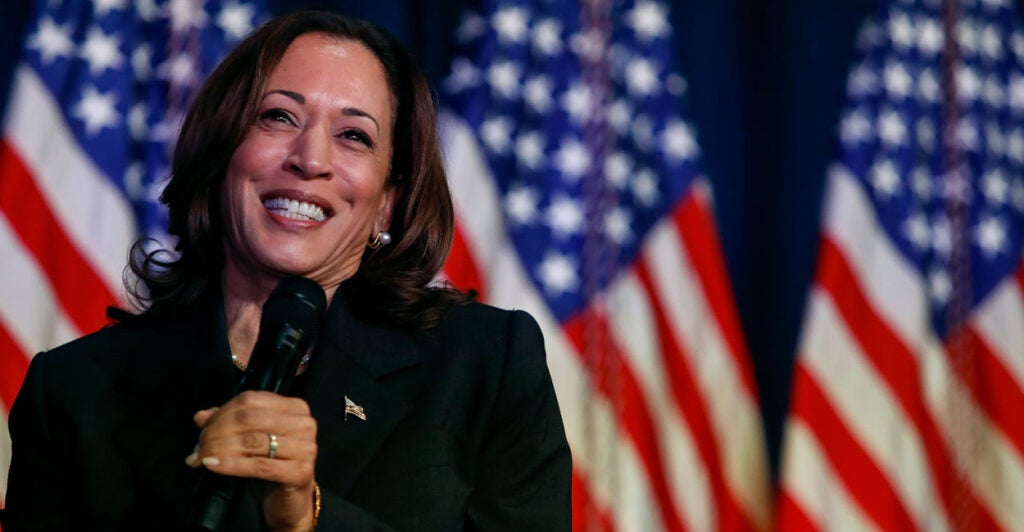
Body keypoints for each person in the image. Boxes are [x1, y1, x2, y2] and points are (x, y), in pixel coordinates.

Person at [1, 10, 571, 531]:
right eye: (278, 116)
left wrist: (307, 515)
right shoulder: (76, 392)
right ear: (223, 151)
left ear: (389, 201)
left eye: (354, 136)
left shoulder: (485, 368)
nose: (311, 159)